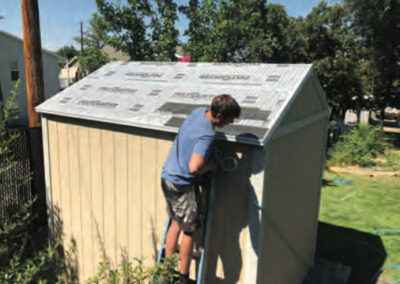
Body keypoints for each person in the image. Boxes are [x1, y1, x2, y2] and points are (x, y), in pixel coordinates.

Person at [161, 94, 241, 284]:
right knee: (189, 229)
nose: (230, 124)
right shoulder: (207, 134)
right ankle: (182, 276)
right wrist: (212, 166)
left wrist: (210, 152)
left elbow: (191, 141)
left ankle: (165, 269)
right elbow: (194, 167)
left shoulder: (197, 112)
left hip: (167, 177)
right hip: (181, 184)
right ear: (220, 116)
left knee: (176, 222)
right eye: (229, 120)